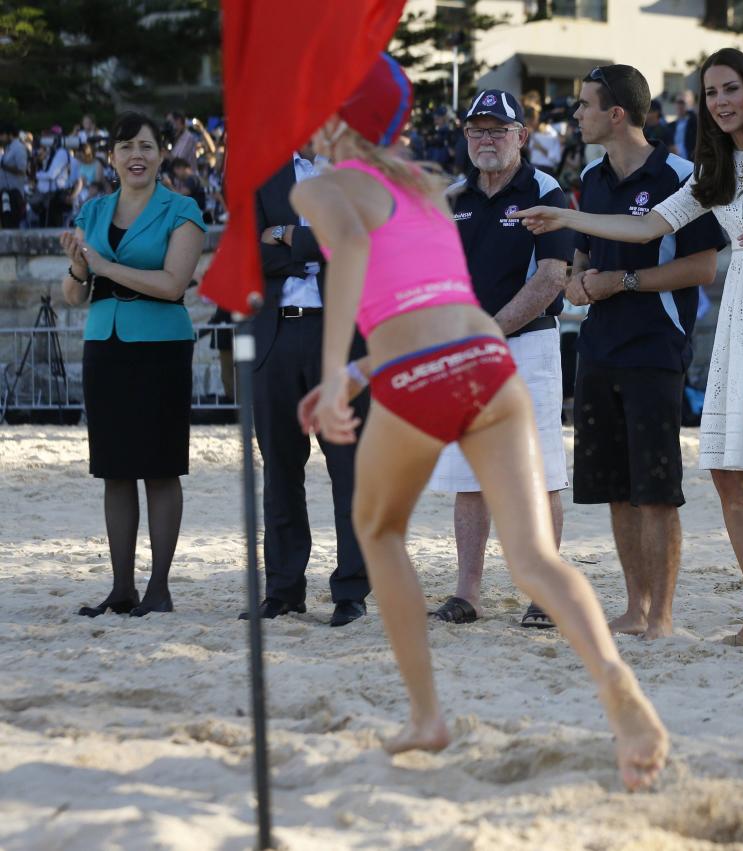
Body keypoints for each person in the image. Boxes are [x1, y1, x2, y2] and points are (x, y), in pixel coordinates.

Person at [292, 54, 668, 786]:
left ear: (338, 120)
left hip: (427, 373)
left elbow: (353, 262)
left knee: (378, 530)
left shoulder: (329, 186)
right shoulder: (426, 184)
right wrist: (369, 366)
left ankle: (427, 715)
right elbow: (427, 293)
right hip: (488, 360)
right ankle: (622, 697)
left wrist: (339, 368)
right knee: (535, 558)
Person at [514, 48, 743, 654]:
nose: (721, 102)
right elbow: (647, 227)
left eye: (730, 89)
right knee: (729, 473)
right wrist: (563, 216)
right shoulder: (710, 170)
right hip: (739, 312)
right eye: (710, 93)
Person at [558, 65, 724, 640]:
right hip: (598, 347)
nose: (576, 115)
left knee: (655, 490)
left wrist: (621, 281)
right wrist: (579, 280)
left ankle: (664, 617)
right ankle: (635, 608)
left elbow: (703, 267)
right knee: (616, 489)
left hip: (655, 347)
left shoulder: (681, 175)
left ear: (617, 113)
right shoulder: (593, 176)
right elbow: (582, 250)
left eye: (584, 105)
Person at [427, 88, 571, 629]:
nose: (486, 139)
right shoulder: (453, 197)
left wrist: (490, 329)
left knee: (542, 472)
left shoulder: (545, 190)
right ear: (465, 137)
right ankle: (468, 592)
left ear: (521, 136)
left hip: (527, 345)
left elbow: (552, 276)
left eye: (497, 130)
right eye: (477, 130)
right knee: (469, 473)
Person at [60, 112, 207, 617]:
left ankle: (159, 590)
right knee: (115, 470)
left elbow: (172, 285)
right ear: (112, 157)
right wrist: (80, 267)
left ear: (162, 154)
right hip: (105, 345)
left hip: (160, 347)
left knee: (161, 469)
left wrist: (103, 266)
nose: (135, 155)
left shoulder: (181, 209)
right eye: (125, 147)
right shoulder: (93, 210)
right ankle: (121, 588)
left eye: (145, 146)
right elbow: (74, 294)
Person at [241, 149, 371, 626]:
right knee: (279, 468)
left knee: (349, 469)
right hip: (275, 333)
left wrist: (286, 237)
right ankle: (283, 589)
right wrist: (318, 243)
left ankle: (351, 590)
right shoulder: (263, 168)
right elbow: (247, 249)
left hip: (341, 336)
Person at [0, 122, 29, 228]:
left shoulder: (19, 148)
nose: (1, 138)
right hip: (5, 194)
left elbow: (22, 170)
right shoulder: (9, 148)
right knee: (5, 223)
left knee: (12, 224)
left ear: (10, 134)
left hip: (14, 194)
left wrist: (4, 166)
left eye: (2, 135)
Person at [669, 92, 698, 161]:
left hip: (692, 164)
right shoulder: (670, 126)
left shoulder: (696, 123)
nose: (679, 105)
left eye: (682, 102)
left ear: (691, 104)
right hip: (675, 164)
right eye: (677, 102)